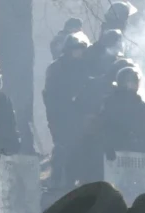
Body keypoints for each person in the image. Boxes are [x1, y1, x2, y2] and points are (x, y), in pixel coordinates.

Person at [44, 32, 92, 186]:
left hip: (80, 115)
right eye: (76, 49)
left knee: (80, 149)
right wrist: (55, 116)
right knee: (62, 147)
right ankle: (57, 180)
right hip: (61, 115)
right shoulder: (56, 68)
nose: (80, 52)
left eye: (82, 49)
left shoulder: (85, 67)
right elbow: (50, 95)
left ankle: (76, 181)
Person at [99, 67, 145, 160]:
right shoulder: (110, 103)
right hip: (115, 152)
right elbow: (105, 126)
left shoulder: (140, 105)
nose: (135, 84)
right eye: (132, 81)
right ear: (123, 83)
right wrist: (108, 147)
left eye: (136, 81)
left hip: (136, 152)